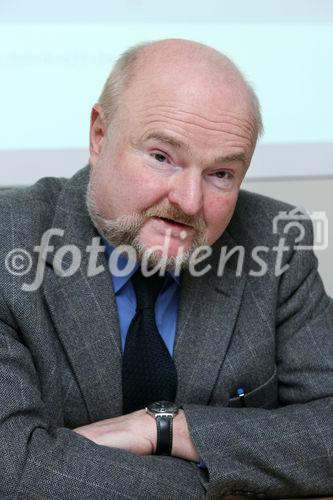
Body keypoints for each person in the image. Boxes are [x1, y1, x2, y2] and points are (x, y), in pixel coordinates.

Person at [0, 38, 332, 500]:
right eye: (161, 157)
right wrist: (228, 479)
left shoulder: (278, 243)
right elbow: (11, 469)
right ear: (100, 134)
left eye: (221, 174)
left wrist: (166, 428)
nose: (189, 202)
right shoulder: (7, 243)